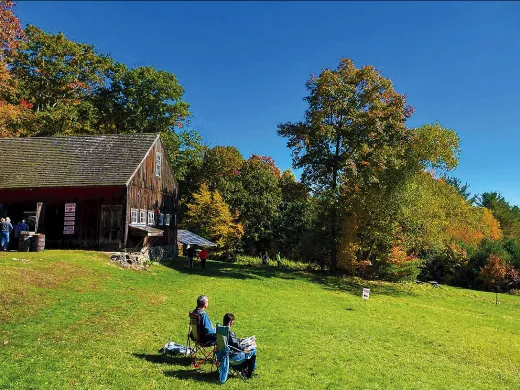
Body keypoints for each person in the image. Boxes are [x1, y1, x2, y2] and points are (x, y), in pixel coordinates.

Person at [223, 313, 257, 378]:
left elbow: (232, 342)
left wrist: (240, 339)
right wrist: (248, 344)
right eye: (233, 322)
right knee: (253, 350)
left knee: (249, 350)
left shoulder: (221, 330)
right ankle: (249, 374)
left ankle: (245, 370)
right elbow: (239, 347)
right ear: (230, 322)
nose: (233, 324)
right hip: (233, 358)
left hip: (223, 356)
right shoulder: (229, 332)